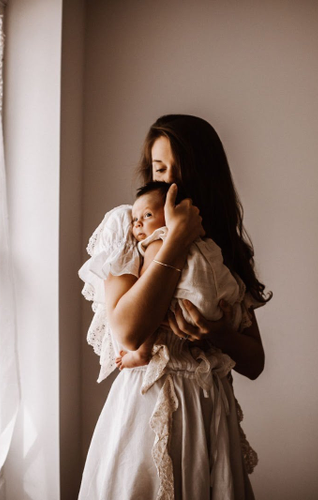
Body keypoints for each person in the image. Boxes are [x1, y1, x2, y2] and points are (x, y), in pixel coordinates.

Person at [78, 115, 271, 500]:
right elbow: (129, 332)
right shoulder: (133, 226)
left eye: (177, 170)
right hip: (145, 414)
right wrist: (175, 240)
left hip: (211, 416)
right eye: (158, 168)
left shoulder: (222, 249)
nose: (167, 181)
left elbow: (254, 362)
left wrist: (218, 333)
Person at [116, 180, 253, 371]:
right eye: (134, 219)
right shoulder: (204, 240)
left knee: (151, 299)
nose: (138, 223)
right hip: (221, 309)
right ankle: (199, 345)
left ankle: (142, 353)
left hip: (189, 311)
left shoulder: (157, 243)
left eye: (147, 215)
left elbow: (147, 295)